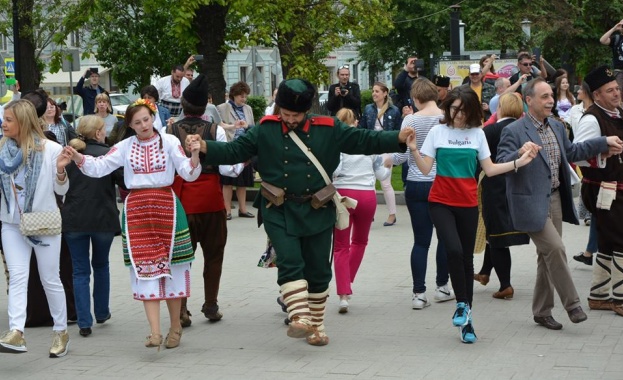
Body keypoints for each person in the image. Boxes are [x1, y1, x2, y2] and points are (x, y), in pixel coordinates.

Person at [186, 78, 412, 346]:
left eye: (295, 115)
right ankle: (299, 316)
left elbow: (362, 139)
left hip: (317, 207)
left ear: (307, 111)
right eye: (285, 113)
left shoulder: (328, 127)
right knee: (290, 261)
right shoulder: (265, 128)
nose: (290, 119)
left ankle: (316, 326)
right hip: (277, 208)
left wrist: (396, 137)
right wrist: (205, 146)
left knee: (318, 271)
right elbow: (236, 150)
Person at [63, 98, 201, 349]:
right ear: (130, 125)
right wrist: (78, 158)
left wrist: (193, 154)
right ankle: (155, 332)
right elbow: (99, 167)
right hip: (137, 210)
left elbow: (188, 172)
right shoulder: (125, 146)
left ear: (153, 117)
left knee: (172, 269)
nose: (143, 125)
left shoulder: (169, 141)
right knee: (145, 269)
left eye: (146, 119)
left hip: (167, 207)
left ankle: (175, 326)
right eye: (137, 122)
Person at [408, 86, 539, 343]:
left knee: (466, 260)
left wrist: (519, 162)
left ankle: (466, 318)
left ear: (470, 111)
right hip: (440, 202)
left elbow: (489, 170)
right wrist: (413, 148)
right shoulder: (437, 131)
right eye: (454, 109)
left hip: (468, 205)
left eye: (462, 110)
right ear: (448, 108)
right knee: (453, 250)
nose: (457, 114)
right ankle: (461, 304)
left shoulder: (477, 134)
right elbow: (425, 169)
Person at [497, 77, 622, 330]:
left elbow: (573, 153)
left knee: (546, 257)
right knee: (556, 249)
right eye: (544, 97)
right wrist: (520, 154)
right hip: (529, 202)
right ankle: (573, 304)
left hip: (554, 198)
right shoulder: (514, 131)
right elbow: (501, 163)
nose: (550, 100)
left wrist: (602, 142)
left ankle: (542, 311)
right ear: (528, 100)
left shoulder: (556, 126)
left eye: (551, 96)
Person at [168, 74, 243, 326]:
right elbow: (226, 169)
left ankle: (182, 309)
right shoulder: (215, 130)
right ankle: (210, 304)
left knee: (181, 258)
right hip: (211, 201)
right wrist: (241, 163)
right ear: (205, 106)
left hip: (181, 203)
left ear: (184, 105)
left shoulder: (169, 131)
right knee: (214, 255)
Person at [0, 99, 72, 357]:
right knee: (18, 277)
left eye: (9, 120)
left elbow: (61, 190)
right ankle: (17, 332)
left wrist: (62, 172)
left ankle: (61, 331)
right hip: (11, 224)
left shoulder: (50, 149)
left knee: (50, 279)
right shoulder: (2, 149)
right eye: (4, 119)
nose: (3, 123)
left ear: (23, 121)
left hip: (43, 221)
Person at [390, 78, 454, 310]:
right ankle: (442, 286)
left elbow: (403, 153)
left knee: (421, 242)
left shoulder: (410, 119)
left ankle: (419, 293)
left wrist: (388, 161)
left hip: (416, 183)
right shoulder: (445, 119)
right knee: (445, 238)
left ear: (416, 99)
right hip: (441, 182)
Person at [63, 115, 123, 337]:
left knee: (80, 271)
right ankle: (102, 312)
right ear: (98, 133)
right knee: (101, 265)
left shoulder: (69, 155)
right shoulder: (108, 154)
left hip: (75, 218)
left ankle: (84, 322)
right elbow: (124, 181)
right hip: (103, 219)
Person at [574, 66, 623, 315]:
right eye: (610, 90)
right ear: (596, 94)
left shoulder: (617, 113)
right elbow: (577, 154)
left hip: (616, 188)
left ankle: (599, 295)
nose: (616, 93)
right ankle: (620, 298)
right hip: (602, 189)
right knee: (621, 240)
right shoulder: (592, 118)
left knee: (606, 241)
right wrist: (603, 153)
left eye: (616, 88)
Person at [332, 108, 391, 313]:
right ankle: (348, 284)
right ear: (355, 123)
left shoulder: (337, 145)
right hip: (367, 196)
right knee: (360, 241)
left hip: (344, 197)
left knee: (340, 246)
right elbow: (382, 175)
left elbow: (335, 171)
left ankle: (342, 294)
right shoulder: (367, 144)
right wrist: (389, 165)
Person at [475, 93, 531, 299]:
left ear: (500, 108)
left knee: (497, 236)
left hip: (495, 188)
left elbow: (478, 161)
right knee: (494, 235)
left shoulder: (489, 130)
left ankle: (505, 285)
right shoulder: (525, 129)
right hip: (518, 188)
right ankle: (484, 272)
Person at [359, 82, 401, 226]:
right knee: (369, 182)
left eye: (377, 91)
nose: (374, 94)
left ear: (385, 93)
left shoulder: (394, 111)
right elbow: (362, 128)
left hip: (385, 149)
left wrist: (394, 154)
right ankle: (369, 214)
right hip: (371, 149)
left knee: (385, 183)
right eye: (373, 91)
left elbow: (398, 132)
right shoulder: (368, 109)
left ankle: (392, 214)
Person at [216, 81, 255, 220]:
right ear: (234, 95)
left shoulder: (248, 109)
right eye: (241, 96)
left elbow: (252, 127)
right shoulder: (222, 107)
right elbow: (218, 125)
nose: (244, 99)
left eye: (245, 96)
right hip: (230, 146)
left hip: (244, 147)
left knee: (243, 181)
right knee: (227, 181)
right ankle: (227, 210)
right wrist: (234, 126)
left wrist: (246, 126)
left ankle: (243, 209)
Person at [569, 81, 597, 265]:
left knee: (600, 212)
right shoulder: (576, 110)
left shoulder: (598, 113)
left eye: (580, 88)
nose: (578, 91)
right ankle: (589, 252)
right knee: (598, 211)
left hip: (597, 163)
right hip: (585, 159)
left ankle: (590, 253)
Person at [599, 19, 623, 92]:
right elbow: (602, 40)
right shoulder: (617, 38)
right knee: (618, 93)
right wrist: (614, 28)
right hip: (619, 72)